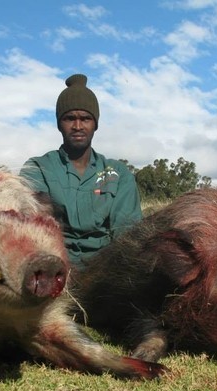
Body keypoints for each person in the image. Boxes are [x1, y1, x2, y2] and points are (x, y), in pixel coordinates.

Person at [20, 73, 142, 268]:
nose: (77, 126)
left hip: (104, 271)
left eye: (85, 118)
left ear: (95, 124)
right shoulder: (38, 169)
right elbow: (35, 229)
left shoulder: (118, 174)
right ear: (59, 124)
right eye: (69, 118)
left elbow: (126, 234)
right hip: (53, 267)